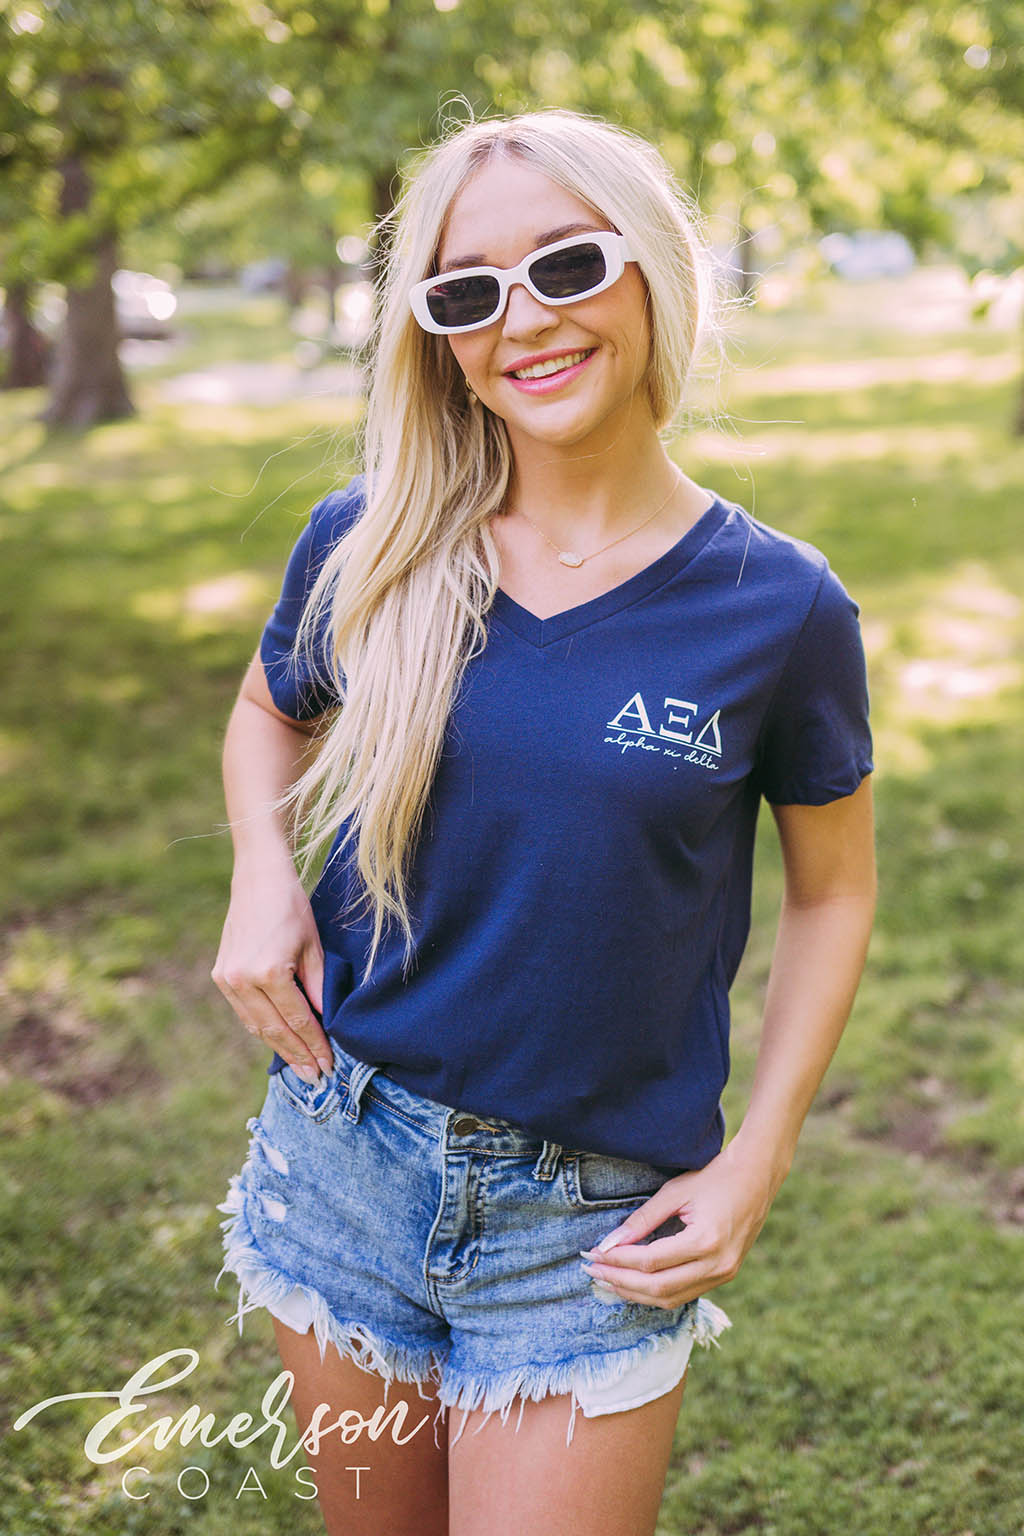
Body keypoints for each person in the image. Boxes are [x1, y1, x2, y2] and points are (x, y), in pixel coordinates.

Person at [212, 107, 877, 1536]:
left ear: (653, 271)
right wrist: (263, 873)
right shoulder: (375, 539)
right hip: (344, 1155)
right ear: (438, 338)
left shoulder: (780, 606)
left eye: (568, 265)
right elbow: (270, 710)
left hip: (592, 1229)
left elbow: (835, 891)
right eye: (468, 293)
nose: (524, 321)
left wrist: (758, 1157)